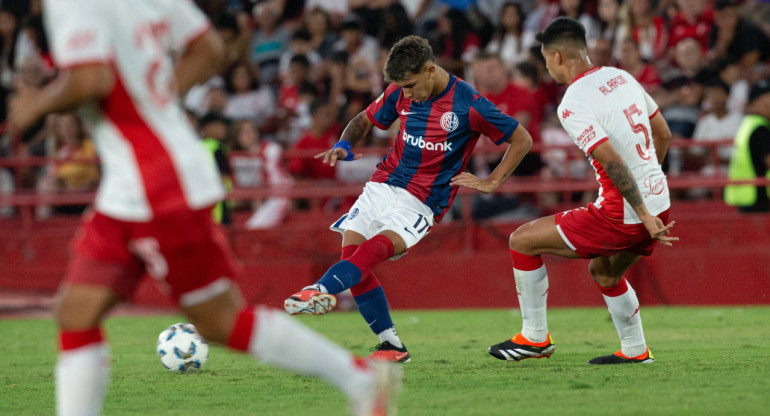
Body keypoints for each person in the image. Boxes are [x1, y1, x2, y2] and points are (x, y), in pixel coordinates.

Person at [7, 1, 400, 415]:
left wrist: (37, 104)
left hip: (157, 185)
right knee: (76, 312)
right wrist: (158, 103)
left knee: (220, 321)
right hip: (130, 185)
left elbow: (91, 78)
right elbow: (209, 47)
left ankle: (360, 379)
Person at [283, 35, 533, 362]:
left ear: (430, 70)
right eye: (402, 87)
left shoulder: (468, 103)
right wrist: (343, 145)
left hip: (423, 201)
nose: (407, 95)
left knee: (370, 254)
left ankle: (320, 289)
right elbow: (362, 120)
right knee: (353, 257)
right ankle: (392, 346)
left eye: (411, 86)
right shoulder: (400, 92)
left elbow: (521, 138)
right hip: (382, 185)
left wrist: (492, 181)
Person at [472, 17, 677, 365]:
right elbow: (664, 134)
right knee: (606, 272)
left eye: (546, 59)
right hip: (661, 202)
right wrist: (649, 195)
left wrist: (640, 212)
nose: (548, 67)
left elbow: (612, 162)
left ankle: (534, 338)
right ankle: (635, 350)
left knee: (522, 240)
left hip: (626, 213)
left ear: (557, 56)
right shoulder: (621, 76)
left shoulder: (573, 102)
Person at [725, 80, 770, 213]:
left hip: (746, 195)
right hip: (759, 196)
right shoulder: (761, 129)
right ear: (756, 102)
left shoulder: (748, 124)